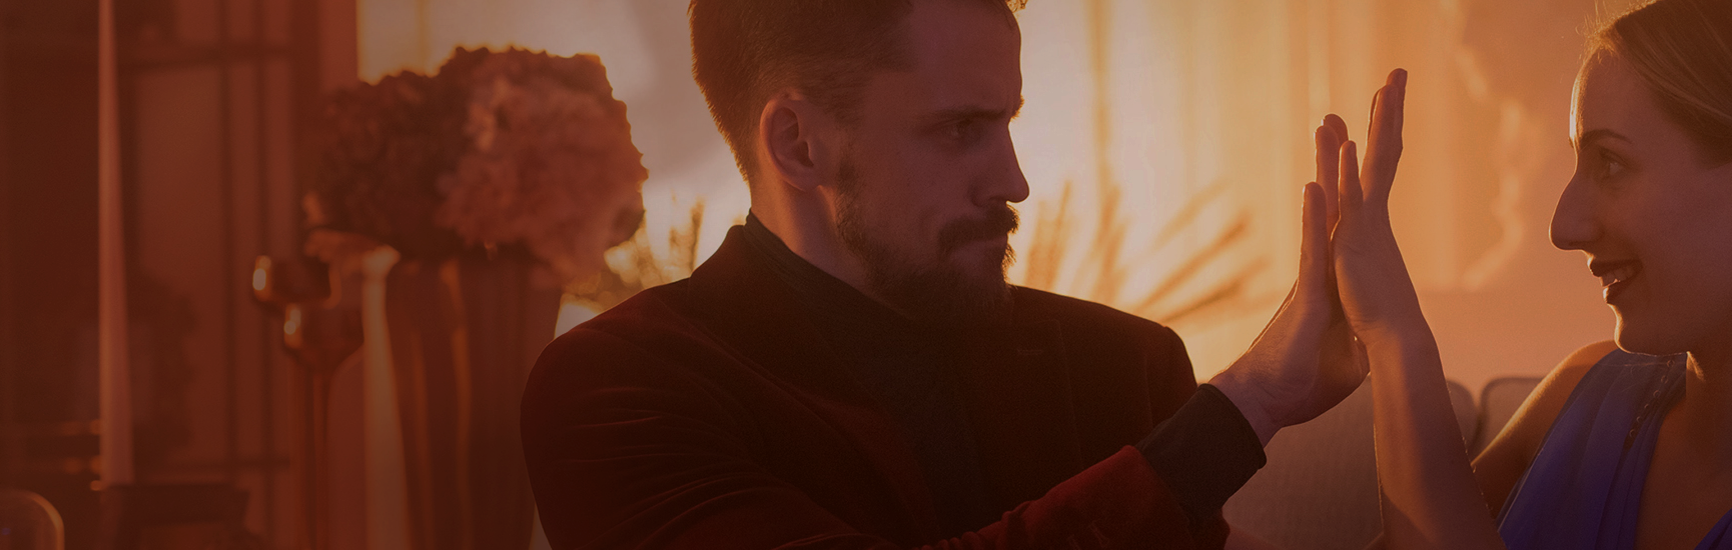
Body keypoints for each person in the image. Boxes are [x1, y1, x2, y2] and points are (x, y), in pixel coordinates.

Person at [518, 0, 1363, 548]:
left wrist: (1409, 390)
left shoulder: (1122, 364)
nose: (1015, 181)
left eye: (1007, 123)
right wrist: (1248, 402)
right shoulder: (615, 390)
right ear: (799, 145)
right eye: (961, 129)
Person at [1321, 0, 1732, 548]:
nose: (1564, 225)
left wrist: (1396, 338)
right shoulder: (1581, 393)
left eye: (1610, 164)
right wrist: (1258, 408)